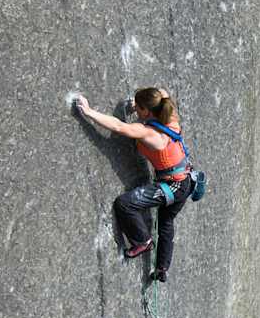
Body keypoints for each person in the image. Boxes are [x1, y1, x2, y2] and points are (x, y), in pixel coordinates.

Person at [74, 87, 197, 282]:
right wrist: (139, 103)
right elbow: (162, 92)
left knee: (125, 204)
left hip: (173, 186)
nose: (135, 112)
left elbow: (118, 126)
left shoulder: (149, 133)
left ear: (147, 111)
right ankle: (162, 268)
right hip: (186, 180)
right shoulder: (170, 116)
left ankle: (142, 241)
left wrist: (88, 112)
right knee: (165, 222)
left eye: (138, 109)